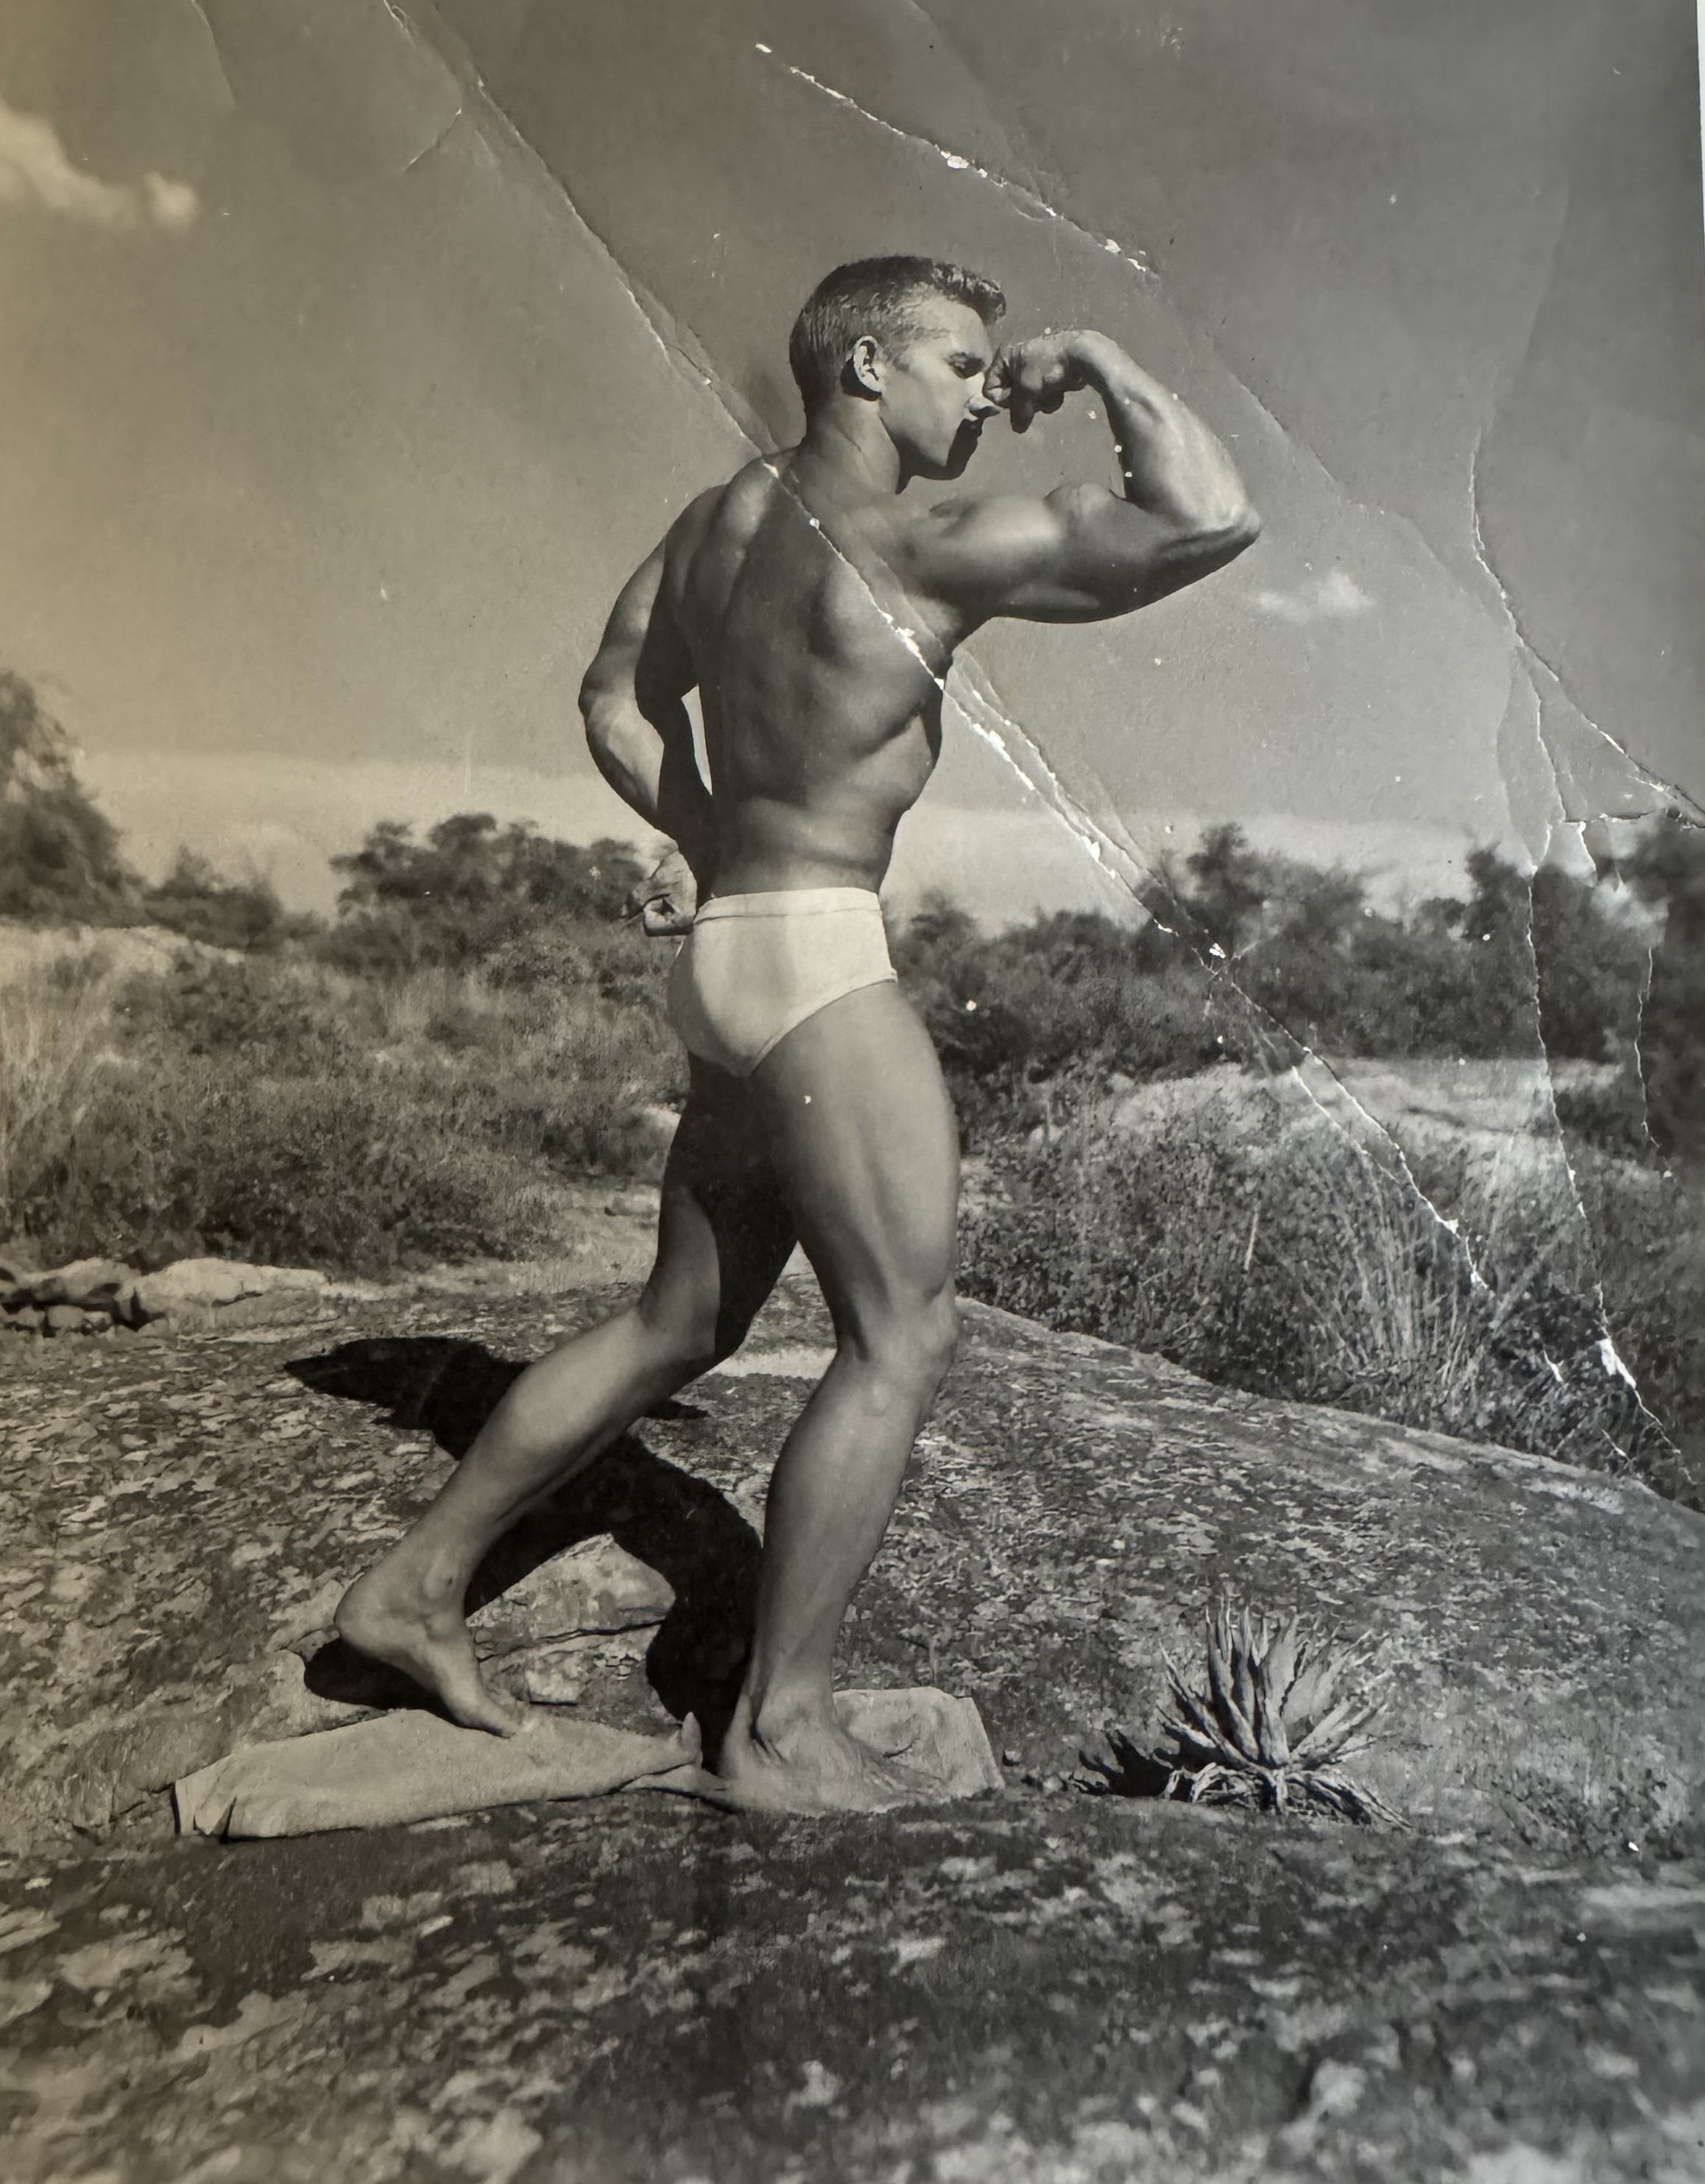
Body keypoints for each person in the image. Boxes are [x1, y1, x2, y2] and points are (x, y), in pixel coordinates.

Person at [336, 256, 1258, 1811]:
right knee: (903, 1337)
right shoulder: (913, 543)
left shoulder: (712, 528)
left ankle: (414, 1589)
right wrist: (1099, 357)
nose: (989, 392)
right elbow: (1210, 519)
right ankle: (779, 1727)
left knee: (675, 1325)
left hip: (725, 960)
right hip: (824, 960)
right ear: (867, 367)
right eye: (963, 364)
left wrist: (711, 846)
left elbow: (611, 698)